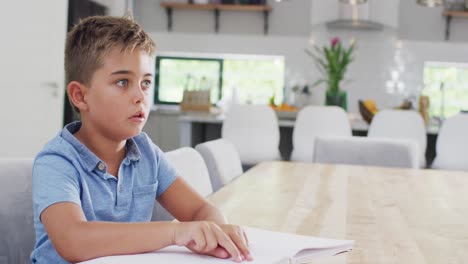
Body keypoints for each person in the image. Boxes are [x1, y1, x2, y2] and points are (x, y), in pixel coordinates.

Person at [31, 15, 252, 264]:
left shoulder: (146, 153)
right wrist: (175, 232)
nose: (140, 96)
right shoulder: (56, 162)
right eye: (122, 82)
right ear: (80, 96)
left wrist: (214, 233)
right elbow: (73, 240)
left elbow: (200, 210)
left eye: (146, 82)